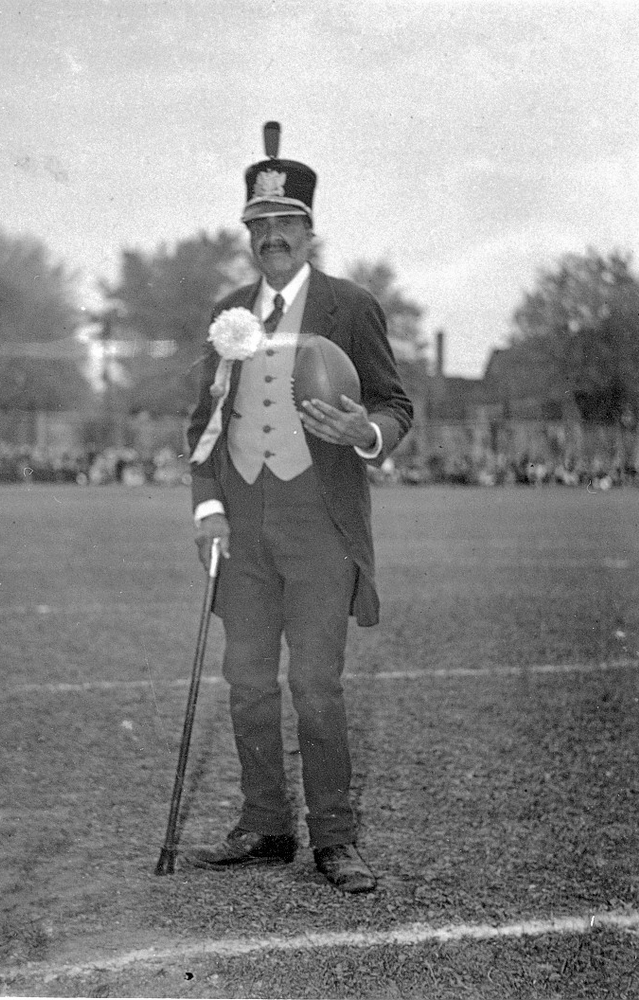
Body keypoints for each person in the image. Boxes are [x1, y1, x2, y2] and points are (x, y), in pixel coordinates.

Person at [185, 123, 414, 893]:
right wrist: (207, 508)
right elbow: (204, 425)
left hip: (318, 525)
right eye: (259, 225)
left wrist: (367, 432)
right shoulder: (227, 313)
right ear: (247, 235)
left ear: (310, 232)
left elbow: (394, 402)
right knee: (247, 682)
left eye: (286, 223)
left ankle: (335, 839)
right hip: (242, 531)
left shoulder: (351, 306)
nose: (272, 237)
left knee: (315, 686)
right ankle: (263, 824)